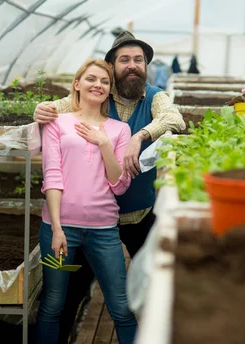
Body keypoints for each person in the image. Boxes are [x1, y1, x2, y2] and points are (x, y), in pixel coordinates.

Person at [33, 31, 185, 343]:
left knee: (151, 291)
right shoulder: (98, 96)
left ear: (146, 66)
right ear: (112, 66)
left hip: (139, 215)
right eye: (124, 60)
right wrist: (40, 110)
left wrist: (138, 136)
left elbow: (174, 119)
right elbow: (58, 108)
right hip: (94, 220)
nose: (133, 66)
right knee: (67, 297)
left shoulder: (155, 96)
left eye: (139, 60)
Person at [36, 58, 137, 344]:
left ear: (109, 91)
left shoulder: (120, 130)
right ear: (78, 84)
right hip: (59, 228)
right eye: (92, 79)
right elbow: (52, 175)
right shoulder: (58, 122)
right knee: (52, 305)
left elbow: (119, 185)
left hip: (104, 230)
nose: (99, 85)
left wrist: (103, 143)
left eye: (105, 82)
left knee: (121, 307)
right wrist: (56, 229)